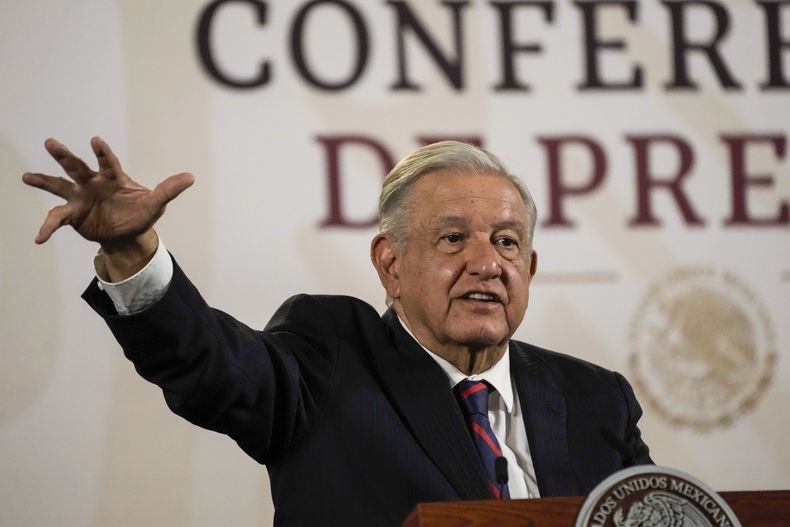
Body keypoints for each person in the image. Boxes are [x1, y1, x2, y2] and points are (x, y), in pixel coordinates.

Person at [23, 137, 651, 526]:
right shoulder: (331, 355)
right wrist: (134, 253)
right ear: (391, 263)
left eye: (507, 242)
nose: (486, 262)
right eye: (454, 238)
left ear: (530, 268)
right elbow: (214, 367)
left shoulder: (596, 398)